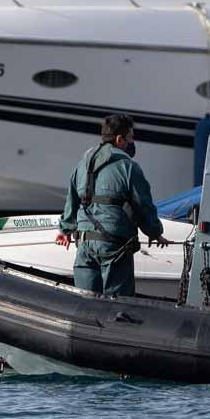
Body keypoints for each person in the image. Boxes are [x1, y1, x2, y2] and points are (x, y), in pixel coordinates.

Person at [56, 115, 171, 296]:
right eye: (131, 137)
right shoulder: (129, 167)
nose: (132, 142)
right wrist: (155, 233)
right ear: (119, 139)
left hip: (85, 244)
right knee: (118, 307)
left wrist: (65, 230)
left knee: (85, 303)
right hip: (114, 247)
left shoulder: (83, 164)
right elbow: (143, 206)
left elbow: (72, 200)